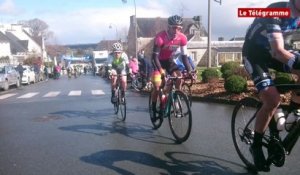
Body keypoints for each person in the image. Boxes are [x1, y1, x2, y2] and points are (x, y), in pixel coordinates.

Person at [242, 0, 300, 172]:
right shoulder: (275, 11)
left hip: (276, 51)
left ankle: (294, 111)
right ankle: (256, 145)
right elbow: (277, 51)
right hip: (256, 54)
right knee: (272, 100)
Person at [150, 15, 192, 121]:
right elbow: (155, 57)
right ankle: (154, 109)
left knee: (179, 77)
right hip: (158, 61)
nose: (176, 30)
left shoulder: (182, 38)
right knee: (157, 86)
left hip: (169, 61)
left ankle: (175, 99)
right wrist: (162, 73)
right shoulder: (160, 37)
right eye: (174, 27)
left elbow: (184, 57)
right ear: (168, 27)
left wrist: (190, 71)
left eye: (179, 28)